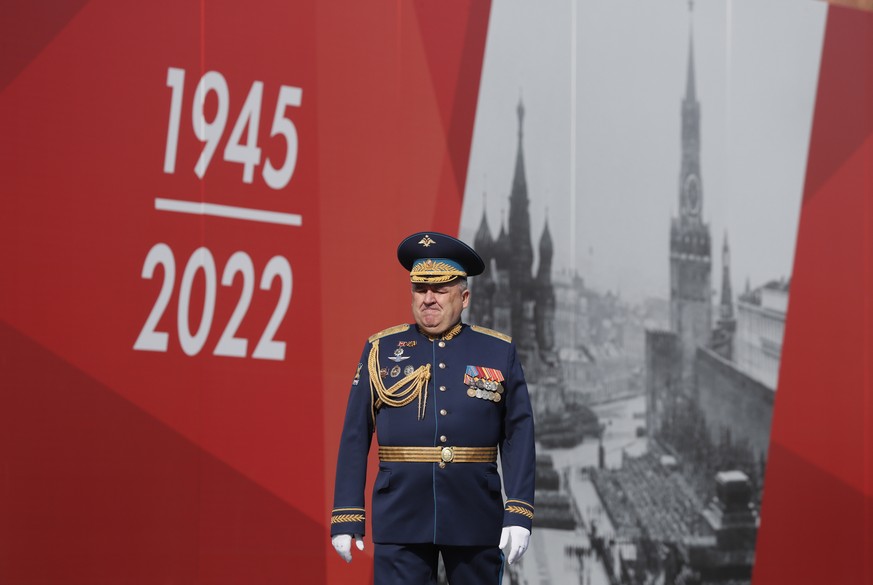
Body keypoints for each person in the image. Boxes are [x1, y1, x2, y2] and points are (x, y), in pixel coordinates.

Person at [330, 231, 536, 584]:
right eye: (420, 289)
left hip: (474, 513)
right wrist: (348, 514)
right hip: (401, 514)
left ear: (465, 296)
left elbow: (517, 433)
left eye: (440, 289)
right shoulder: (380, 350)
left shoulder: (497, 352)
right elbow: (355, 434)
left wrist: (518, 512)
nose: (428, 299)